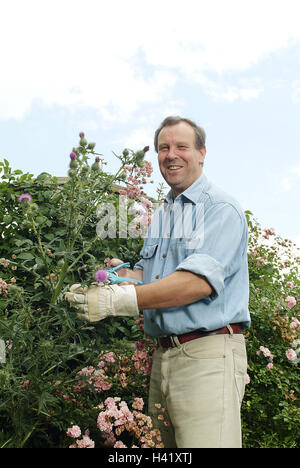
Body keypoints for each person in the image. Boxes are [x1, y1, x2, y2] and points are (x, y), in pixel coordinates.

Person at [66, 116, 250, 448]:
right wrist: (111, 280)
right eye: (163, 148)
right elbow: (150, 278)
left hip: (208, 356)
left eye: (182, 146)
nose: (171, 155)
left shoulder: (219, 208)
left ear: (202, 153)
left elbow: (196, 283)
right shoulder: (165, 215)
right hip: (164, 357)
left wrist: (115, 303)